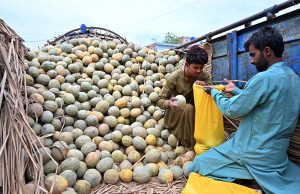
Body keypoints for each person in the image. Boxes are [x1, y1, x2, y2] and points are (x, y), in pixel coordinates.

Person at [189, 26, 300, 194]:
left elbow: (232, 109)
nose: (251, 61)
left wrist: (213, 92)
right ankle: (257, 176)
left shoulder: (264, 78)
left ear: (267, 51)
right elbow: (262, 101)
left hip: (252, 152)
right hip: (276, 155)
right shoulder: (293, 78)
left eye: (253, 55)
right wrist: (235, 90)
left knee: (197, 165)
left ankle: (250, 177)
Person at [157, 45, 211, 149]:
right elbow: (159, 101)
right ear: (186, 64)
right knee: (188, 108)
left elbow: (213, 93)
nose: (199, 71)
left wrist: (206, 87)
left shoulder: (203, 76)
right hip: (175, 113)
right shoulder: (175, 77)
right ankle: (191, 145)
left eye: (201, 67)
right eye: (195, 67)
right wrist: (169, 103)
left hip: (196, 112)